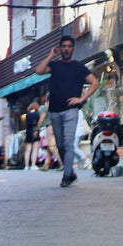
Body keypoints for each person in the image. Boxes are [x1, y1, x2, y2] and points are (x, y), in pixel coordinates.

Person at [35, 35, 99, 187]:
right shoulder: (55, 66)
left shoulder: (79, 67)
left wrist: (82, 99)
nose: (66, 49)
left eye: (69, 46)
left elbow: (95, 83)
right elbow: (39, 70)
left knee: (68, 143)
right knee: (60, 145)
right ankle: (70, 172)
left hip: (71, 110)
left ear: (73, 49)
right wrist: (51, 55)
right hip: (55, 110)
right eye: (64, 46)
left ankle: (65, 176)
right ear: (60, 48)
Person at [22, 101, 43, 170]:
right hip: (35, 130)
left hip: (28, 131)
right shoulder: (37, 114)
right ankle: (33, 165)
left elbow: (26, 124)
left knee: (28, 149)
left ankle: (26, 165)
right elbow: (38, 123)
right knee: (35, 149)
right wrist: (37, 130)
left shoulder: (27, 114)